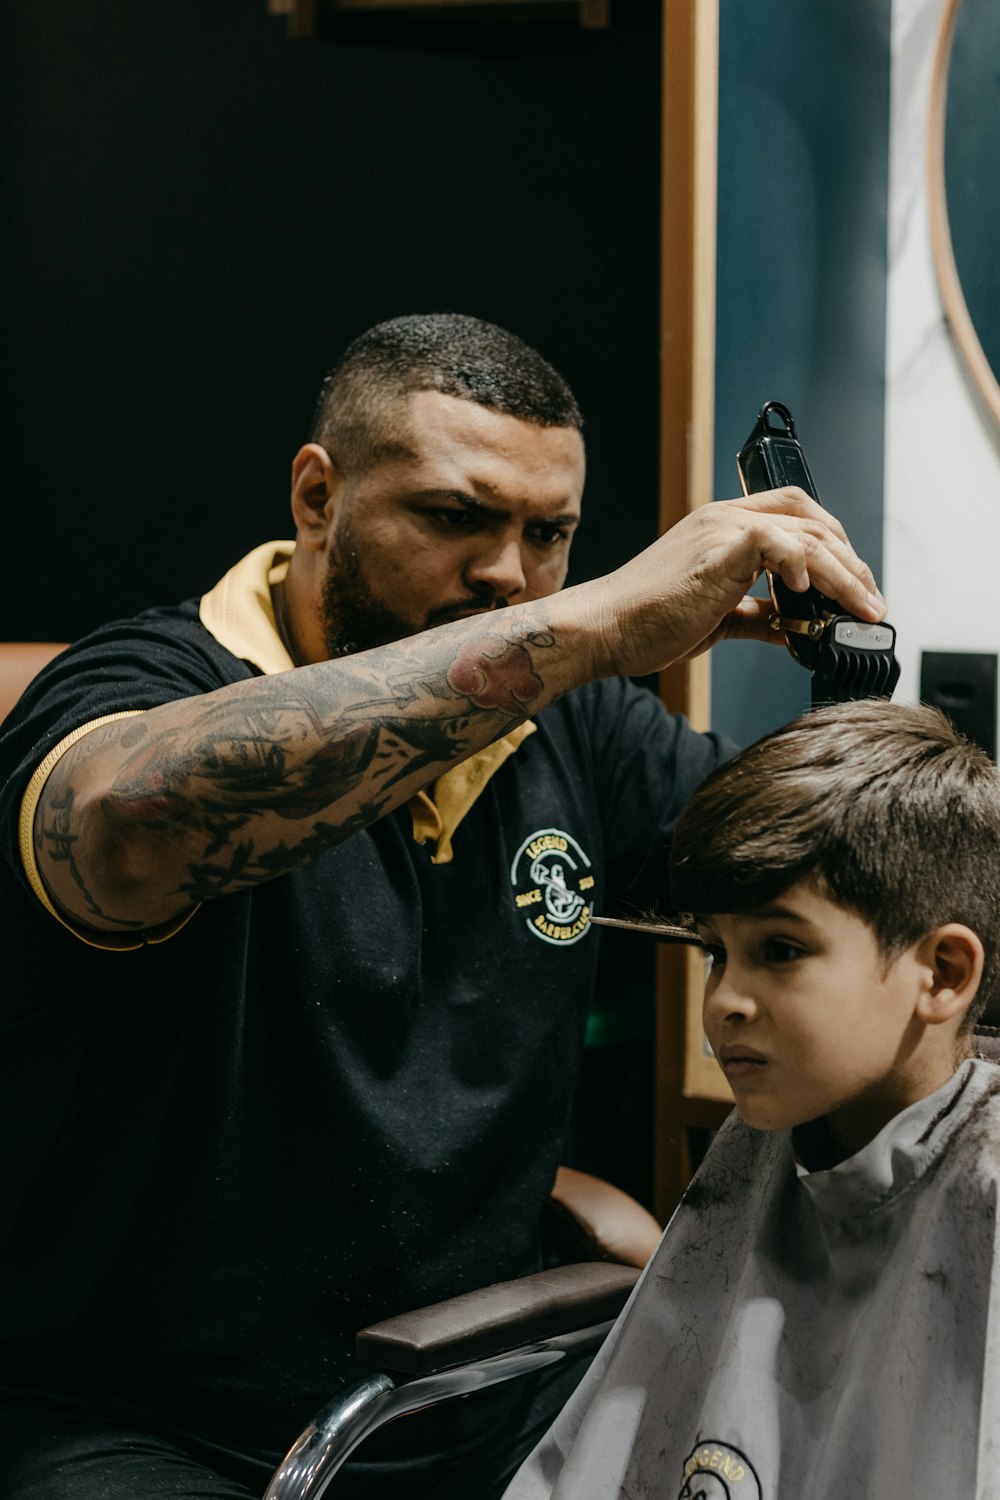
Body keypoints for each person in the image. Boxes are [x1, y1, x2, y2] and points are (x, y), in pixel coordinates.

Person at [0, 313, 885, 1500]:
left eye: (550, 536)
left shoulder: (575, 729)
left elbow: (834, 874)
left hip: (472, 1395)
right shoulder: (143, 686)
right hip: (141, 1422)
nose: (506, 576)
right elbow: (130, 821)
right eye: (454, 517)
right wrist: (591, 627)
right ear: (319, 498)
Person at [504, 697, 1000, 1500]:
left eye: (779, 950)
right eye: (714, 953)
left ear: (941, 973)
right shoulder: (770, 1133)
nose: (724, 1000)